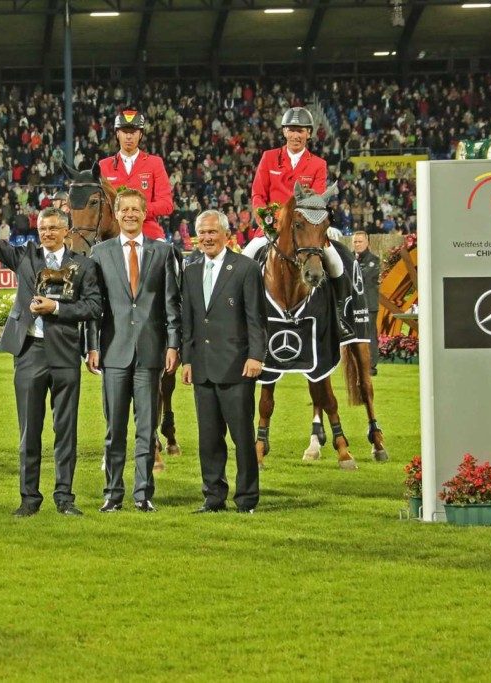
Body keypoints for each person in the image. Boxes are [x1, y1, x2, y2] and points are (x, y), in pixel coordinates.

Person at [0, 197, 102, 517]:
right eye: (42, 228)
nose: (47, 233)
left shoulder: (84, 264)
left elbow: (93, 307)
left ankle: (65, 499)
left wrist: (57, 308)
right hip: (30, 353)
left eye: (53, 228)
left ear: (67, 231)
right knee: (29, 430)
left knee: (66, 431)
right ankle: (29, 499)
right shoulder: (25, 257)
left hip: (64, 355)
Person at [86, 188, 180, 513]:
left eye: (135, 210)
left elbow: (171, 304)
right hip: (113, 352)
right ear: (117, 213)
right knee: (114, 430)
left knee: (146, 429)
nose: (129, 215)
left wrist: (173, 345)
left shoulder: (163, 252)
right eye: (124, 209)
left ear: (144, 214)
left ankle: (143, 494)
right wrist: (92, 346)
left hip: (151, 352)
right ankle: (112, 494)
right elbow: (93, 306)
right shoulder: (99, 253)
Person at [180, 210, 265, 514]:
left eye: (212, 232)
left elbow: (256, 318)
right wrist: (187, 360)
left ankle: (246, 500)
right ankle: (213, 497)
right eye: (202, 233)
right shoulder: (189, 271)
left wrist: (256, 356)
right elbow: (189, 321)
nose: (206, 238)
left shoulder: (246, 268)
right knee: (209, 440)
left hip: (237, 367)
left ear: (227, 235)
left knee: (242, 438)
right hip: (202, 369)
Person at [247, 107, 354, 340]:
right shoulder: (269, 157)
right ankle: (236, 316)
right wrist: (267, 221)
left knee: (335, 262)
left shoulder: (318, 164)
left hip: (305, 229)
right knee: (245, 259)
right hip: (272, 228)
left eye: (301, 131)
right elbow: (257, 195)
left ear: (309, 134)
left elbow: (314, 202)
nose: (296, 135)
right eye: (292, 130)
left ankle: (339, 315)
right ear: (284, 132)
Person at [97, 109, 173, 242]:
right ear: (117, 134)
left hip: (149, 231)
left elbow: (167, 205)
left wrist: (137, 210)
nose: (128, 137)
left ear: (141, 134)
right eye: (125, 132)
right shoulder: (104, 165)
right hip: (113, 234)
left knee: (170, 259)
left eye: (133, 132)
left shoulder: (155, 163)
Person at [352, 230, 382, 374]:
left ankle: (371, 366)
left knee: (369, 334)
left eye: (360, 241)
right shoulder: (351, 259)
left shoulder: (373, 260)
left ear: (367, 242)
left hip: (369, 304)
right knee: (354, 335)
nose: (357, 244)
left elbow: (363, 278)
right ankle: (356, 364)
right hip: (353, 305)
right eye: (355, 242)